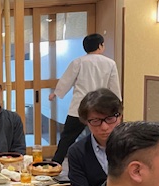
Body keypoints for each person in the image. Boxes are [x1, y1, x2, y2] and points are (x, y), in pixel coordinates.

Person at [49, 33, 121, 164]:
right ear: (100, 45)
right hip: (102, 109)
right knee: (104, 138)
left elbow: (67, 80)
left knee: (67, 137)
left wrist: (56, 93)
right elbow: (114, 86)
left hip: (79, 107)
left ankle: (55, 164)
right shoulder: (110, 63)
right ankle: (111, 165)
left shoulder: (78, 62)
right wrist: (118, 107)